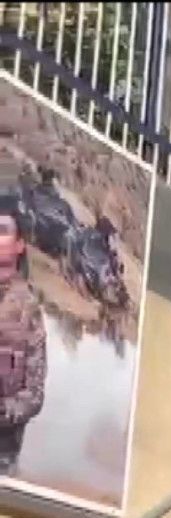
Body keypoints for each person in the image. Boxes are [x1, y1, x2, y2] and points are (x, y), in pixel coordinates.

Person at [0, 194, 46, 476]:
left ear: (19, 246)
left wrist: (4, 411)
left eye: (2, 231)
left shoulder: (29, 310)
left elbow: (34, 394)